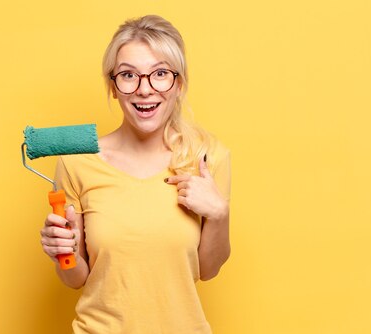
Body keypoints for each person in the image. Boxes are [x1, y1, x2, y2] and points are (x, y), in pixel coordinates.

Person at [39, 14, 231, 333]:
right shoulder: (77, 163)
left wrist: (219, 214)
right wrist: (63, 251)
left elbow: (208, 269)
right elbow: (77, 278)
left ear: (178, 84)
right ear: (113, 87)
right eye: (129, 75)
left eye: (160, 74)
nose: (145, 90)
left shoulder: (206, 158)